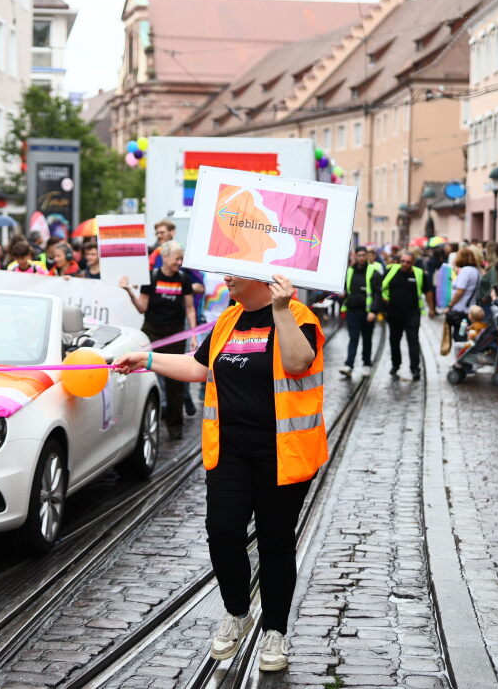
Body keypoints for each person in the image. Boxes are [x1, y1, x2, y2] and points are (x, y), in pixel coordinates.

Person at [114, 272, 324, 672]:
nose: (225, 275)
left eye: (235, 270)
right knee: (223, 532)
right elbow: (198, 368)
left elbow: (299, 362)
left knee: (275, 543)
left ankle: (275, 632)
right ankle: (238, 611)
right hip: (230, 451)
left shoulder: (299, 316)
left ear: (263, 278)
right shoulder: (228, 319)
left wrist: (280, 310)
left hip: (284, 453)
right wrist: (147, 359)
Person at [119, 240, 197, 439]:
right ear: (165, 257)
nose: (179, 262)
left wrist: (194, 335)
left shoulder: (183, 279)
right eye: (176, 258)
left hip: (176, 335)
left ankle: (175, 426)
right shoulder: (151, 278)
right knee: (145, 375)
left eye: (181, 259)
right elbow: (142, 308)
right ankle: (139, 424)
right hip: (153, 333)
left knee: (176, 383)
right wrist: (129, 291)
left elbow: (189, 308)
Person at [340, 246, 383, 377]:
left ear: (367, 256)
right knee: (353, 338)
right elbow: (345, 289)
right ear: (355, 256)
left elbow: (377, 294)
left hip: (367, 312)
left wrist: (373, 311)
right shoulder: (350, 271)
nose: (361, 258)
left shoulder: (373, 272)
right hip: (352, 310)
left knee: (367, 339)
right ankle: (349, 365)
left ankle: (366, 364)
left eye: (363, 255)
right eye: (358, 255)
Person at [381, 251, 424, 381]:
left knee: (413, 341)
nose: (405, 264)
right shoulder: (391, 271)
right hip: (394, 314)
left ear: (412, 263)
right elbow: (381, 287)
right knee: (394, 341)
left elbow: (427, 291)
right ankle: (396, 365)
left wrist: (432, 309)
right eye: (403, 261)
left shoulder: (418, 273)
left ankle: (415, 369)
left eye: (408, 262)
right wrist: (385, 299)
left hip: (412, 314)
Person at [445, 247, 482, 347]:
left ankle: (460, 361)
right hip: (469, 309)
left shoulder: (466, 271)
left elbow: (460, 291)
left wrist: (450, 305)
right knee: (466, 338)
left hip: (461, 311)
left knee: (460, 339)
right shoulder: (475, 270)